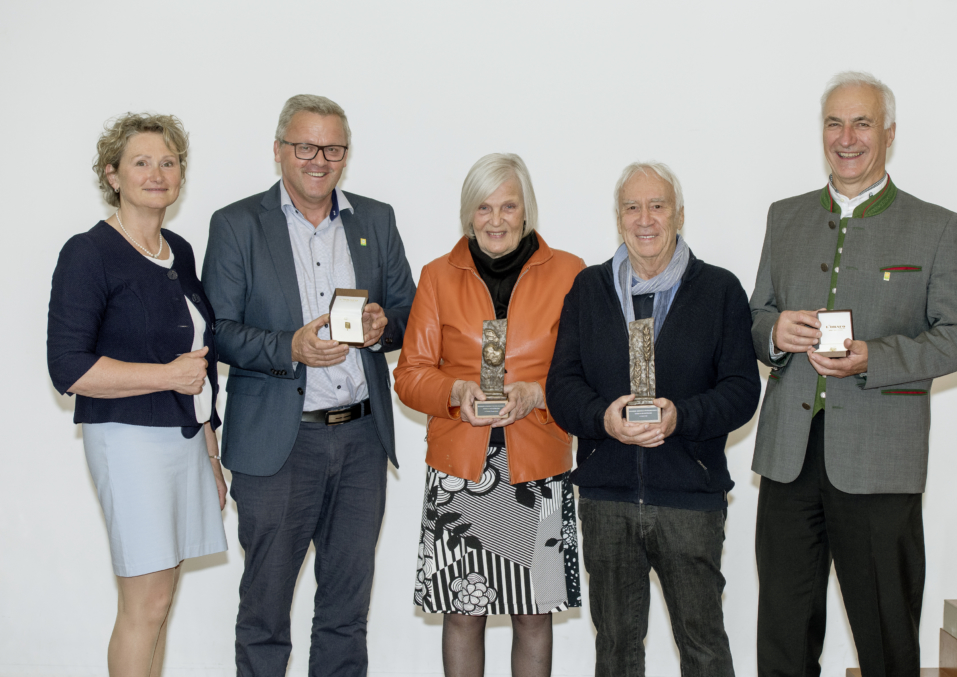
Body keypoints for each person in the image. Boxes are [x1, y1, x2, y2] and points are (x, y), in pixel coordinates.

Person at [749, 72, 957, 677]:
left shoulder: (936, 226)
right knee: (783, 637)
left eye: (862, 123)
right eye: (834, 123)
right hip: (788, 459)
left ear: (890, 134)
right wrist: (774, 334)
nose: (846, 137)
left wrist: (874, 357)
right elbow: (756, 315)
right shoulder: (786, 217)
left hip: (881, 463)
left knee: (887, 640)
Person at [201, 95, 416, 676]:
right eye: (306, 146)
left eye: (333, 148)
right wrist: (287, 348)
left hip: (363, 441)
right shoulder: (236, 224)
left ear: (346, 154)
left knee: (346, 612)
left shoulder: (377, 218)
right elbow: (215, 330)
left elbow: (409, 309)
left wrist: (380, 328)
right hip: (278, 447)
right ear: (279, 151)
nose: (319, 159)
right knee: (266, 615)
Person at [547, 162, 760, 677]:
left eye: (658, 205)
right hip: (607, 499)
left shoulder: (720, 290)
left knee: (703, 646)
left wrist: (680, 416)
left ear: (679, 215)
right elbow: (562, 387)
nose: (646, 218)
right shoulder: (587, 290)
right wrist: (604, 419)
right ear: (619, 219)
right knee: (617, 650)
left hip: (690, 499)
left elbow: (741, 391)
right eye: (632, 207)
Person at [47, 112, 227, 676]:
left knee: (160, 602)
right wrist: (165, 376)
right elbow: (67, 368)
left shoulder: (179, 249)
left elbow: (202, 361)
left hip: (183, 441)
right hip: (127, 442)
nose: (157, 173)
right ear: (113, 175)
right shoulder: (89, 252)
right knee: (142, 604)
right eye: (141, 162)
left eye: (168, 162)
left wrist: (211, 455)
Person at [393, 153, 585, 677]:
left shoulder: (570, 273)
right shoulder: (436, 276)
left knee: (532, 615)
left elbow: (587, 372)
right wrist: (455, 390)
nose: (496, 220)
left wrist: (537, 394)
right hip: (460, 470)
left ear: (527, 212)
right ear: (467, 213)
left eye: (508, 206)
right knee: (461, 613)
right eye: (484, 207)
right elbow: (409, 374)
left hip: (538, 464)